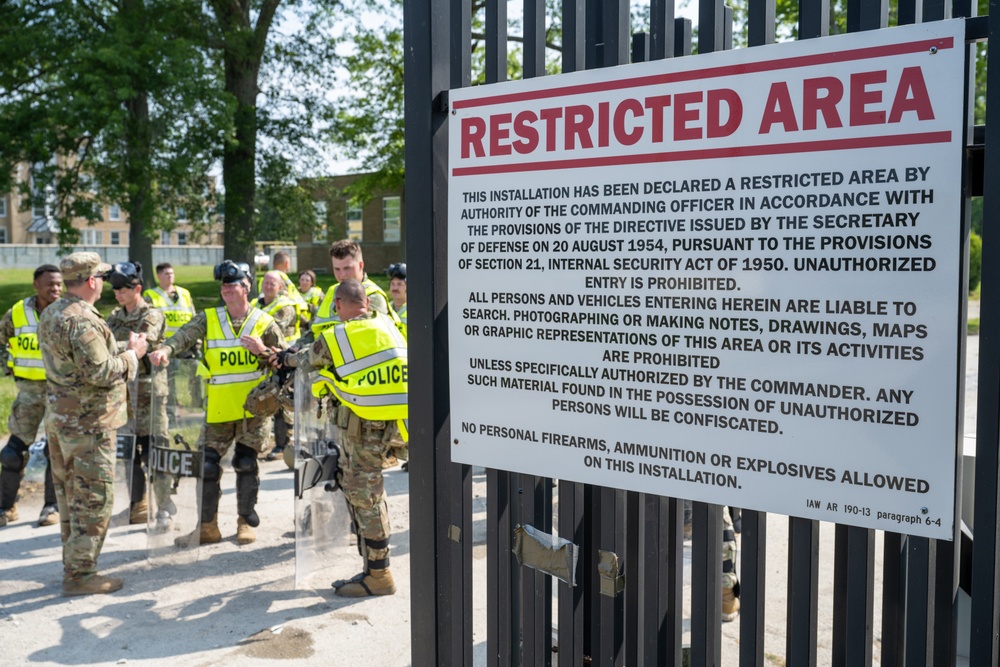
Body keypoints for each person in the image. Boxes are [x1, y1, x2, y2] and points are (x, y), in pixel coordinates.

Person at [276, 278, 407, 597]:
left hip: (365, 427)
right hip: (395, 424)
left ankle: (379, 574)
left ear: (338, 305)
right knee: (368, 490)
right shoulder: (386, 324)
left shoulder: (340, 335)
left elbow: (304, 359)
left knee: (365, 494)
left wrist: (283, 357)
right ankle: (372, 567)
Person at [148, 260, 286, 545]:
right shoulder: (209, 318)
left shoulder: (263, 321)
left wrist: (263, 350)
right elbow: (185, 335)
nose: (226, 289)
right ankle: (207, 527)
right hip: (218, 408)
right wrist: (166, 348)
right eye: (222, 284)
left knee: (246, 462)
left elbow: (283, 359)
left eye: (232, 283)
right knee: (207, 466)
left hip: (253, 411)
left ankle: (245, 521)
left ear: (247, 287)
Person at [38, 252, 147, 596]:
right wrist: (133, 355)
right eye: (100, 277)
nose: (102, 282)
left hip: (62, 419)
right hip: (88, 423)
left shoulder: (52, 311)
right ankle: (81, 574)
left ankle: (74, 564)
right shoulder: (81, 320)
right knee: (94, 498)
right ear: (91, 281)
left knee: (71, 496)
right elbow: (99, 373)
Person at [0, 264, 64, 527]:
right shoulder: (17, 312)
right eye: (50, 284)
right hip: (27, 391)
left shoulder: (67, 311)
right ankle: (6, 507)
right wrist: (8, 366)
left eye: (60, 284)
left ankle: (51, 507)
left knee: (54, 450)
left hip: (58, 392)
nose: (56, 289)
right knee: (13, 452)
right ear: (36, 285)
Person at [105, 261, 167, 524]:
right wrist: (123, 346)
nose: (118, 293)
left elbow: (142, 343)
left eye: (123, 288)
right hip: (124, 394)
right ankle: (138, 503)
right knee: (128, 451)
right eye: (115, 289)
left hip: (149, 393)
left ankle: (164, 505)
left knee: (155, 449)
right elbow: (103, 347)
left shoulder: (152, 315)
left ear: (137, 288)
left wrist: (116, 347)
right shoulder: (113, 317)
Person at [251, 271, 298, 461]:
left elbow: (268, 329)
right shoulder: (255, 304)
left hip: (282, 359)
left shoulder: (284, 307)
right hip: (260, 359)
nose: (268, 285)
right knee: (261, 398)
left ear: (280, 287)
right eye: (266, 282)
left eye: (273, 283)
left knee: (281, 403)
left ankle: (282, 445)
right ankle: (259, 442)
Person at [143, 263, 196, 339]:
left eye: (172, 273)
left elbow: (193, 317)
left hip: (185, 340)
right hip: (163, 341)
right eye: (167, 274)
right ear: (158, 276)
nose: (170, 276)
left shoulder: (184, 293)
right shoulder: (151, 295)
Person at [387, 262, 407, 336]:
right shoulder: (385, 308)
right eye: (393, 284)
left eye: (399, 284)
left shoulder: (413, 310)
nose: (395, 288)